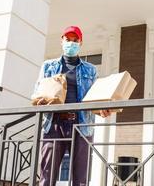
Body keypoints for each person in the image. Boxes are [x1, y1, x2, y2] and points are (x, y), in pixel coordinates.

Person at [33, 26, 111, 186]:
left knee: (80, 179)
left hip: (81, 124)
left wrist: (103, 108)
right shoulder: (48, 66)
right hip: (54, 125)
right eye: (68, 40)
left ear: (80, 43)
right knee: (46, 176)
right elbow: (37, 92)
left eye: (75, 41)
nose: (71, 43)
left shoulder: (90, 69)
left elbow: (96, 98)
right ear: (62, 41)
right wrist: (40, 101)